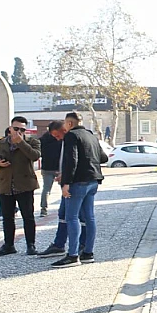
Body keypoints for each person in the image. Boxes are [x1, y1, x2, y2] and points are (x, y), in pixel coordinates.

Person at [53, 111, 106, 267]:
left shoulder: (71, 136)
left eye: (65, 123)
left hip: (78, 182)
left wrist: (66, 183)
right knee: (89, 217)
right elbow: (103, 157)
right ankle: (88, 252)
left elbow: (71, 160)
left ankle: (73, 255)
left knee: (72, 217)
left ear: (69, 123)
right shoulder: (91, 135)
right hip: (93, 180)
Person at [0, 116, 41, 256]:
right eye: (16, 129)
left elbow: (35, 156)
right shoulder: (0, 144)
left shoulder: (32, 142)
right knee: (7, 217)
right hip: (5, 184)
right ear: (10, 128)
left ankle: (31, 245)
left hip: (24, 184)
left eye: (22, 130)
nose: (19, 132)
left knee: (28, 216)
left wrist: (21, 143)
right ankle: (9, 245)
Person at [38, 120, 65, 217]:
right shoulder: (61, 138)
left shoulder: (42, 139)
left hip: (47, 167)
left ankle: (43, 209)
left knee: (46, 189)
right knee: (64, 188)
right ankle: (65, 207)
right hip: (59, 167)